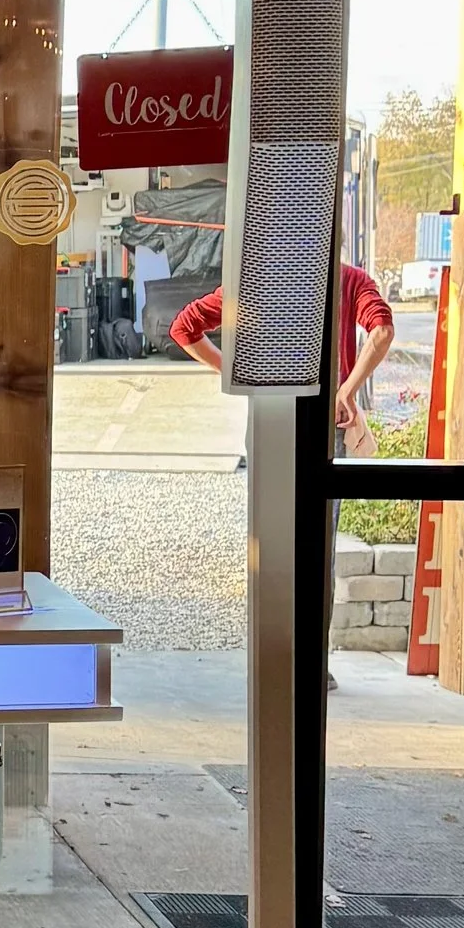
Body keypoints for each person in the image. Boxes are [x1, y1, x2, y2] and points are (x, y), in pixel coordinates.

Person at [168, 258, 396, 685]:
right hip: (322, 427)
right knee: (317, 548)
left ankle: (271, 660)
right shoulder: (347, 280)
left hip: (270, 421)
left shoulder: (255, 279)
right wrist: (346, 390)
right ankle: (313, 665)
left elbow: (184, 329)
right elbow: (381, 331)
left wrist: (240, 374)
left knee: (269, 544)